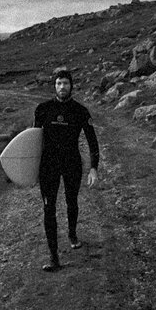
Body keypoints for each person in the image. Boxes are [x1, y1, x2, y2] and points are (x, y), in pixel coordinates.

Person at [33, 69, 99, 271]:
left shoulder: (80, 111)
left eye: (66, 83)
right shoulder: (43, 109)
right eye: (59, 83)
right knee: (48, 209)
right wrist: (26, 170)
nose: (62, 87)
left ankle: (72, 234)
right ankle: (54, 257)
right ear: (54, 86)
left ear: (71, 86)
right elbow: (32, 142)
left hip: (71, 162)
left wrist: (93, 168)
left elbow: (92, 142)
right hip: (48, 165)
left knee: (72, 200)